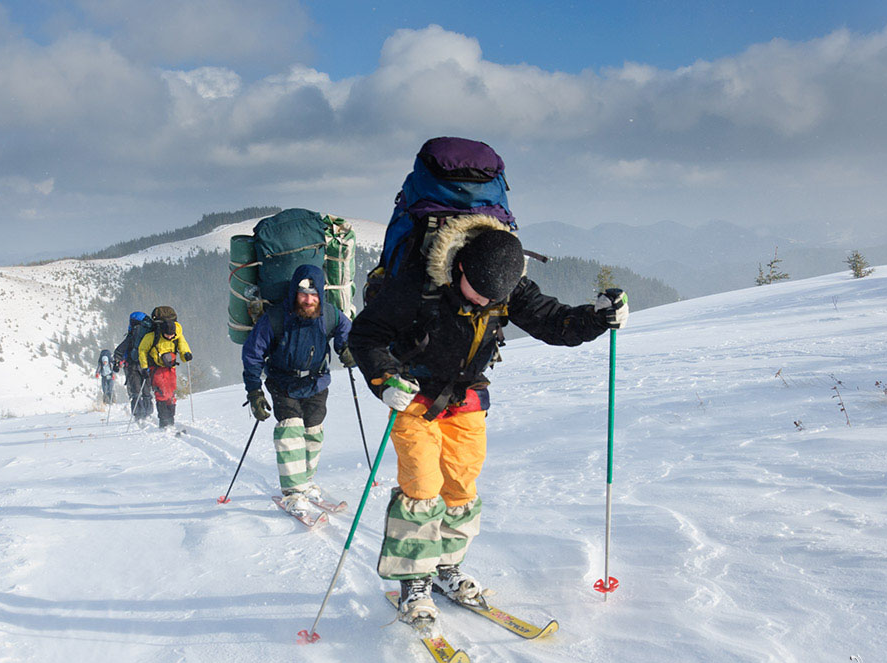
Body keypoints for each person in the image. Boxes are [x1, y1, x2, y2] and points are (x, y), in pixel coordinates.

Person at [347, 215, 628, 623]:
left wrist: (599, 318)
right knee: (422, 487)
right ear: (459, 265)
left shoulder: (505, 286)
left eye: (492, 299)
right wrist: (383, 378)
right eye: (477, 294)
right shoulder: (416, 285)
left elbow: (554, 322)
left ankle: (445, 567)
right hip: (415, 397)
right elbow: (365, 335)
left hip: (466, 396)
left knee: (461, 486)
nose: (484, 302)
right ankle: (414, 583)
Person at [241, 263, 354, 517]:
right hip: (283, 383)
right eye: (304, 294)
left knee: (313, 432)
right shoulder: (276, 318)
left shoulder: (329, 315)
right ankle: (294, 493)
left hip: (316, 382)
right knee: (290, 431)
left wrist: (346, 347)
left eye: (314, 295)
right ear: (294, 293)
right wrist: (254, 392)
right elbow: (252, 355)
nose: (309, 300)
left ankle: (306, 481)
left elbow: (346, 329)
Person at [138, 306, 193, 429]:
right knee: (161, 393)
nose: (170, 337)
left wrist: (186, 355)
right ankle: (164, 421)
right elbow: (142, 350)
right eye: (168, 335)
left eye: (172, 335)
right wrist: (144, 367)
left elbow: (183, 346)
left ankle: (170, 419)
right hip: (156, 368)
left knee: (171, 393)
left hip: (170, 368)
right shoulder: (152, 336)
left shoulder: (177, 335)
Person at [114, 311, 155, 422]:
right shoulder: (149, 334)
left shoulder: (132, 334)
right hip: (146, 366)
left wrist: (117, 361)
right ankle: (148, 412)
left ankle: (138, 415)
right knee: (146, 391)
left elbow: (121, 349)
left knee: (135, 391)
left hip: (132, 366)